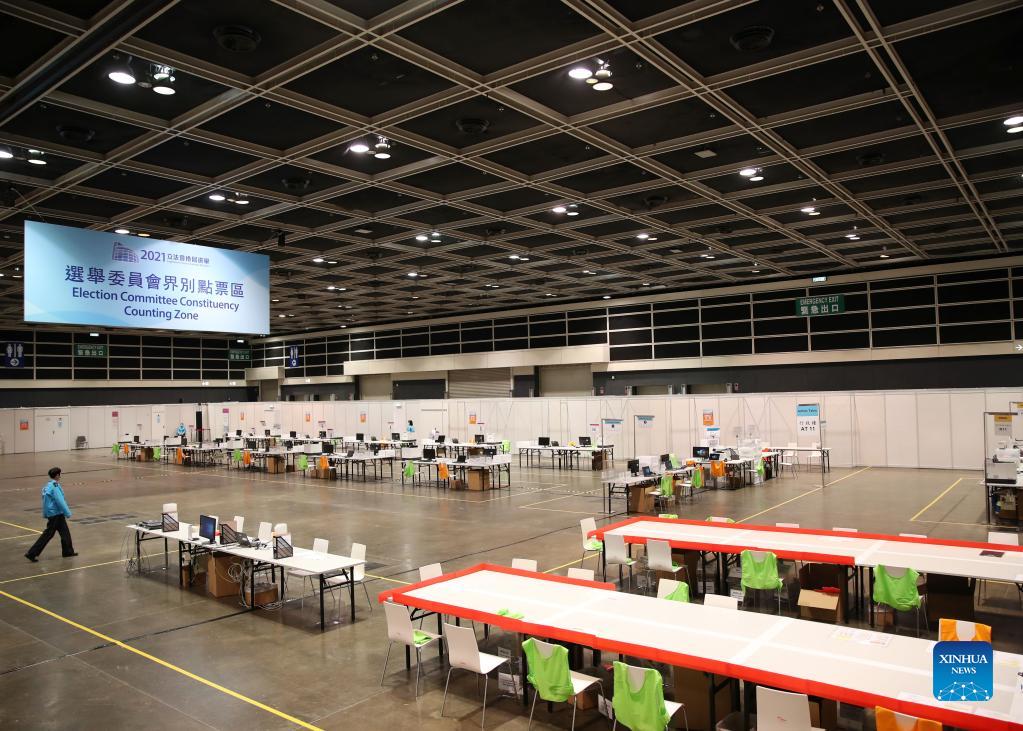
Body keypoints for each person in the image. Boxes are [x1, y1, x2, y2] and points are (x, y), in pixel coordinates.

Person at [25, 467, 77, 562]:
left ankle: (68, 551)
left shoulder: (47, 486)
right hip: (56, 514)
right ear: (57, 475)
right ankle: (32, 553)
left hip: (54, 513)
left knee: (65, 532)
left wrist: (46, 513)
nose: (60, 476)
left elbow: (45, 502)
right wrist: (67, 512)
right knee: (48, 534)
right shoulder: (55, 486)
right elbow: (60, 500)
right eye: (59, 474)